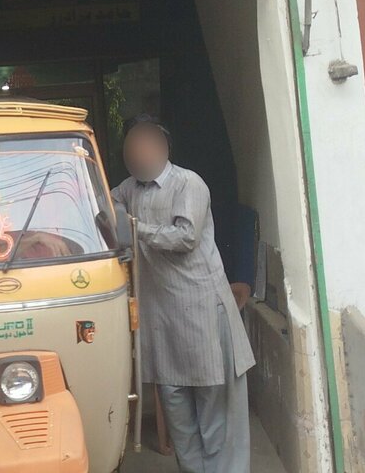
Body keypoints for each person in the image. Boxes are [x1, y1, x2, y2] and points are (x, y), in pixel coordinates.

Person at [112, 115, 255, 473]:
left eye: (143, 146)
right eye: (131, 149)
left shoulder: (188, 183)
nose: (137, 155)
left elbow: (185, 238)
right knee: (178, 416)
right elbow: (103, 206)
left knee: (217, 418)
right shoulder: (130, 189)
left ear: (163, 147)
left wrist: (134, 228)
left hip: (203, 316)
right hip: (163, 324)